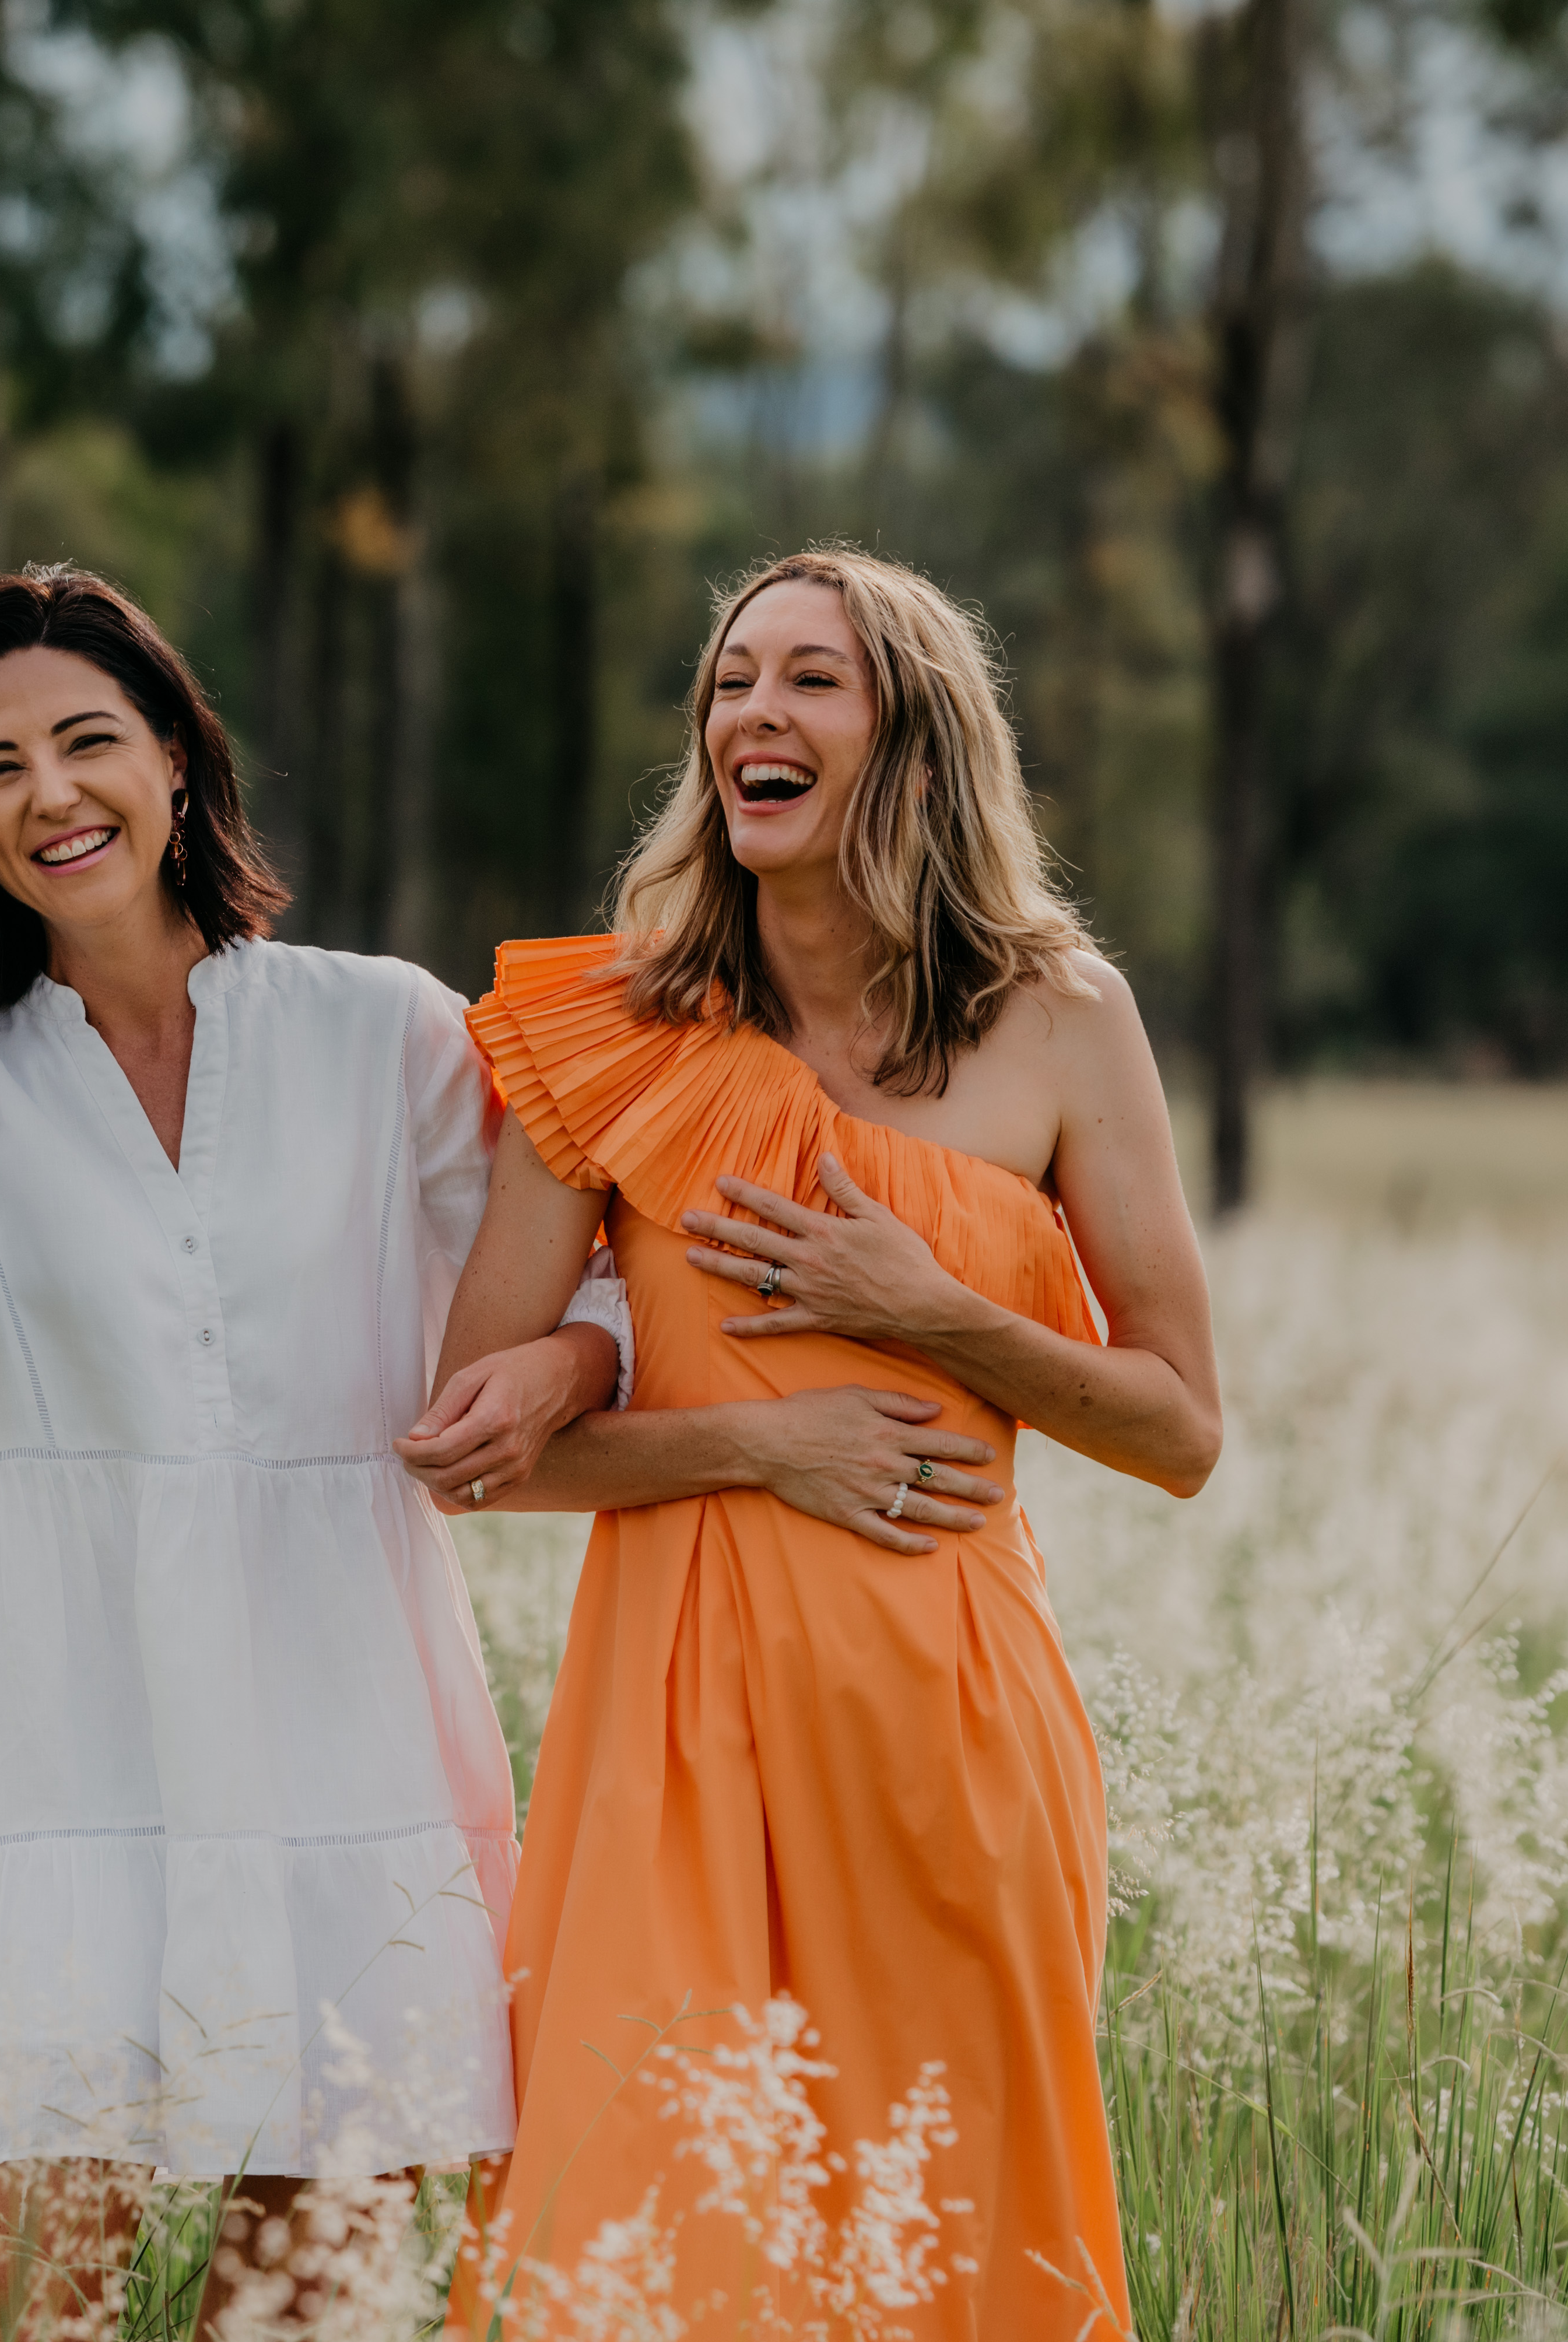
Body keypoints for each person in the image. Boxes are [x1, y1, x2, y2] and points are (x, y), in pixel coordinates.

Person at [0, 567, 640, 2339]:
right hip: (78, 1748)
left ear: (179, 766)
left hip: (347, 1732)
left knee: (307, 2311)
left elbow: (608, 1274)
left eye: (87, 742)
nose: (51, 794)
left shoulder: (383, 1031)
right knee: (8, 2310)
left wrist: (578, 1364)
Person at [399, 548, 1224, 2342]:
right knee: (640, 2241)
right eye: (730, 683)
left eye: (810, 682)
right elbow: (474, 1451)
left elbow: (1179, 1429)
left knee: (948, 2248)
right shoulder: (617, 1030)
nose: (752, 714)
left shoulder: (1064, 1018)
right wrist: (754, 1452)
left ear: (914, 739)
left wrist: (933, 1310)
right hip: (673, 1711)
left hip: (952, 1713)